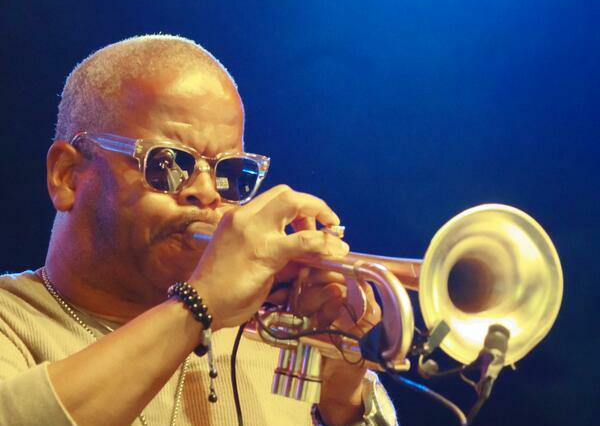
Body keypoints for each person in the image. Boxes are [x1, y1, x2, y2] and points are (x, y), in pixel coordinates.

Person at [0, 35, 397, 425]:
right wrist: (198, 305)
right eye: (168, 164)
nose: (207, 193)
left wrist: (343, 395)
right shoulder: (12, 319)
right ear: (67, 176)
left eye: (229, 174)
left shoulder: (281, 339)